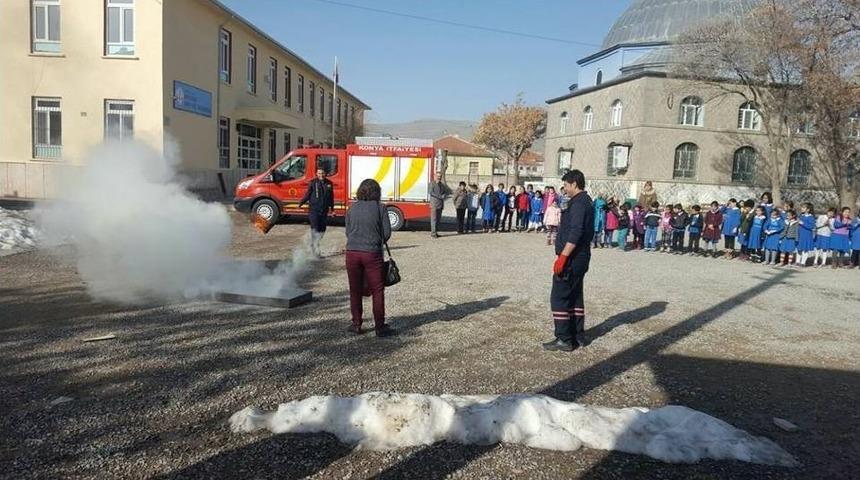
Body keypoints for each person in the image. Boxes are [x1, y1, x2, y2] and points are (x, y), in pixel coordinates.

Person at [545, 169, 594, 352]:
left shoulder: (579, 203)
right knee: (574, 296)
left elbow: (576, 231)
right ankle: (577, 335)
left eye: (566, 185)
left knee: (559, 296)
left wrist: (563, 257)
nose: (564, 189)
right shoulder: (583, 201)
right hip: (579, 257)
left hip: (573, 258)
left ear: (574, 184)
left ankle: (564, 338)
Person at [344, 179, 394, 337]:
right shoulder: (380, 208)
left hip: (352, 252)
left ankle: (356, 324)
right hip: (372, 253)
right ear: (377, 192)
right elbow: (386, 234)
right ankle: (380, 327)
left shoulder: (351, 208)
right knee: (377, 290)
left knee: (355, 289)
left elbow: (347, 231)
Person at [298, 167, 335, 257]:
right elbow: (308, 194)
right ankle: (315, 250)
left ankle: (315, 243)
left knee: (322, 230)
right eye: (319, 173)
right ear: (316, 174)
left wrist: (332, 209)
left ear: (325, 173)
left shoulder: (329, 184)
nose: (321, 175)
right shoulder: (313, 183)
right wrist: (301, 203)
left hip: (324, 210)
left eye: (322, 173)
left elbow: (331, 197)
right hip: (314, 210)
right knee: (315, 229)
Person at [429, 173, 451, 239]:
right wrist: (440, 196)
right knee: (434, 219)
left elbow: (446, 192)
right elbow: (431, 192)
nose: (439, 177)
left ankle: (436, 232)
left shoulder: (442, 185)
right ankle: (433, 233)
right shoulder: (432, 183)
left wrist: (445, 195)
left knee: (438, 219)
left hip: (440, 204)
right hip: (434, 204)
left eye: (440, 176)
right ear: (435, 176)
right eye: (438, 176)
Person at [796, 203, 816, 267]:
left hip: (807, 235)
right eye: (802, 207)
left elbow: (811, 226)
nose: (802, 209)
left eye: (803, 207)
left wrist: (802, 223)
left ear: (808, 209)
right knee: (799, 249)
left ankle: (803, 262)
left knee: (805, 249)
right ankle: (797, 261)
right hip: (800, 235)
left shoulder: (811, 217)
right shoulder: (801, 216)